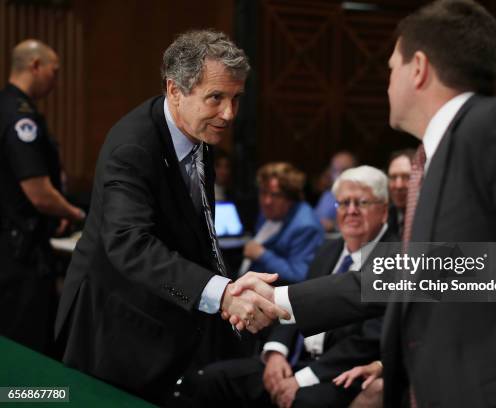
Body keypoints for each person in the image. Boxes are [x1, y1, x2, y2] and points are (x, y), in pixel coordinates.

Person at [227, 1, 496, 407]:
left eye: (392, 67)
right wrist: (281, 300)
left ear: (419, 68)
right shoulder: (437, 156)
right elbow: (417, 275)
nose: (387, 82)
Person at [54, 30, 288, 402]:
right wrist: (222, 295)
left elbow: (197, 231)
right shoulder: (133, 146)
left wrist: (229, 290)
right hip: (116, 327)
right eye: (216, 98)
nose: (229, 114)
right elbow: (129, 244)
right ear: (175, 90)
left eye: (236, 99)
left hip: (171, 323)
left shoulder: (200, 130)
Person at [199, 166, 393, 408]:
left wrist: (301, 380)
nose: (351, 211)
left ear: (384, 210)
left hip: (341, 373)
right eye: (343, 203)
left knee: (299, 401)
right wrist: (275, 352)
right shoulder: (328, 249)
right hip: (293, 360)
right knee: (210, 380)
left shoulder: (393, 258)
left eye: (362, 203)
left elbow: (370, 341)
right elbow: (299, 305)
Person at [0, 39, 85, 354]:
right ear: (35, 66)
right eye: (55, 71)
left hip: (14, 248)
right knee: (24, 350)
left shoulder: (5, 107)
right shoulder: (20, 117)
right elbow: (38, 192)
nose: (56, 79)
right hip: (20, 254)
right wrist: (75, 214)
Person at [240, 162, 324, 284]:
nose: (267, 201)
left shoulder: (306, 226)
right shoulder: (269, 212)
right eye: (263, 192)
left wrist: (261, 254)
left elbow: (299, 275)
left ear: (291, 198)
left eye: (275, 195)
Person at [315, 150, 357, 231]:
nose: (339, 174)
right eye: (335, 170)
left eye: (344, 170)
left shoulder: (361, 198)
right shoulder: (327, 195)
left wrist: (334, 226)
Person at [386, 148, 416, 236]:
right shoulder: (382, 221)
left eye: (406, 177)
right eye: (393, 177)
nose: (398, 185)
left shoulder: (432, 219)